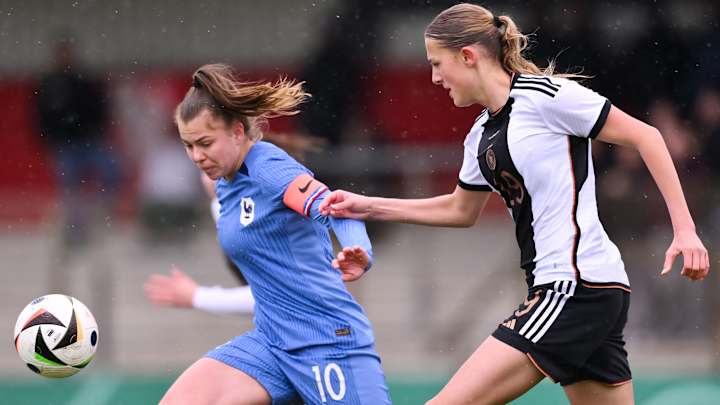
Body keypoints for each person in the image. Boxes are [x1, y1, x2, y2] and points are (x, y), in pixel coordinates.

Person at [320, 4, 710, 405]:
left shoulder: (546, 97)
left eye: (437, 64)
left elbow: (647, 136)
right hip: (586, 289)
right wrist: (367, 206)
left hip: (572, 288)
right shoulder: (479, 135)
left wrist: (685, 230)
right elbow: (460, 210)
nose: (435, 78)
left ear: (467, 56)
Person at [158, 63, 391, 405]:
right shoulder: (226, 183)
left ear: (237, 132)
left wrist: (359, 250)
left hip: (325, 340)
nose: (196, 156)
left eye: (204, 143)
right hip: (271, 343)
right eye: (188, 146)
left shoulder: (268, 168)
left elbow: (338, 208)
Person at [34, 35, 118, 246]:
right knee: (70, 185)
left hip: (89, 140)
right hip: (65, 143)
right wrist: (49, 140)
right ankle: (76, 228)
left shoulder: (84, 80)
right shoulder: (49, 84)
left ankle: (96, 213)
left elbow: (99, 107)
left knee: (111, 172)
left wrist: (97, 130)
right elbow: (41, 116)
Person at [144, 172, 255, 315]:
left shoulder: (267, 200)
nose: (208, 177)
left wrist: (198, 296)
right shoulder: (229, 208)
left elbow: (272, 295)